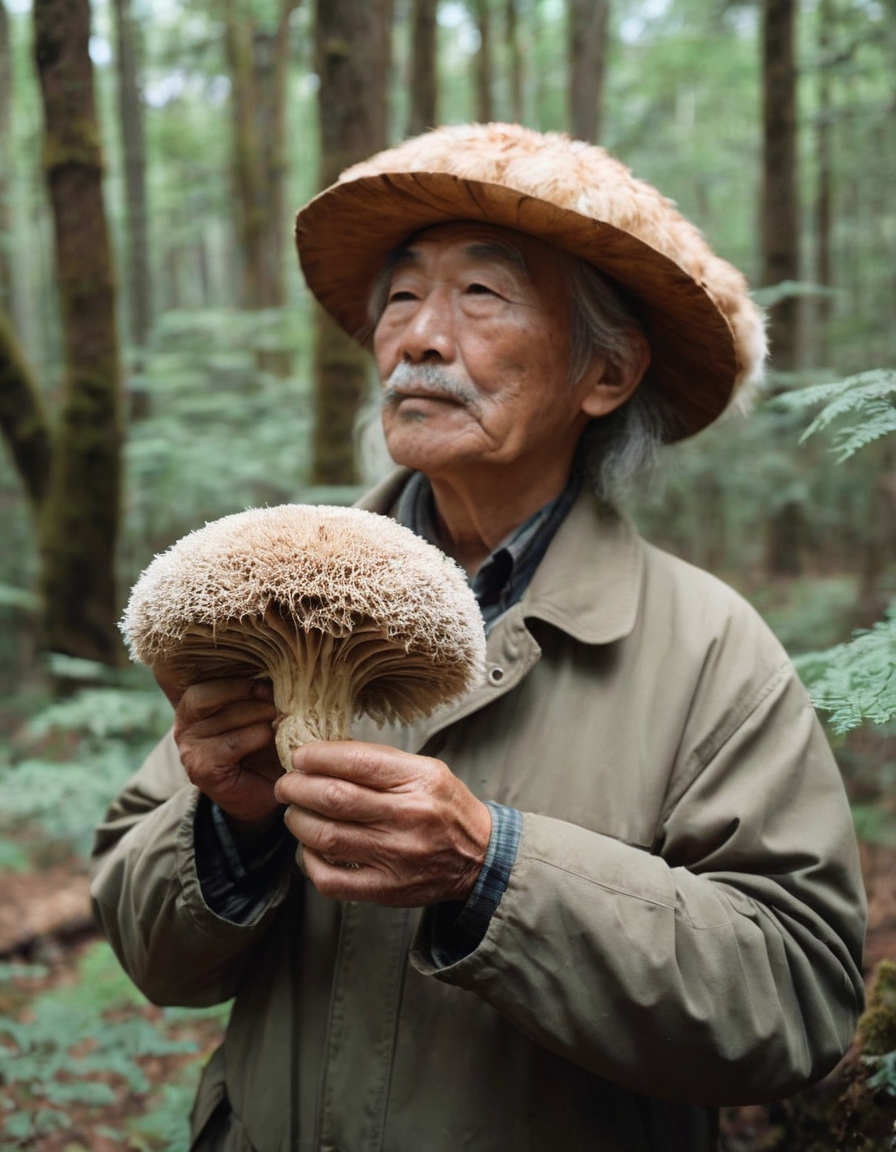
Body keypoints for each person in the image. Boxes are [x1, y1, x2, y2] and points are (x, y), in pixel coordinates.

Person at [91, 123, 866, 1152]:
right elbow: (153, 956)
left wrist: (494, 871)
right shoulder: (266, 591)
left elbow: (798, 999)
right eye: (401, 297)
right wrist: (227, 827)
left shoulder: (708, 649)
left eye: (482, 295)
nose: (418, 337)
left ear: (606, 375)